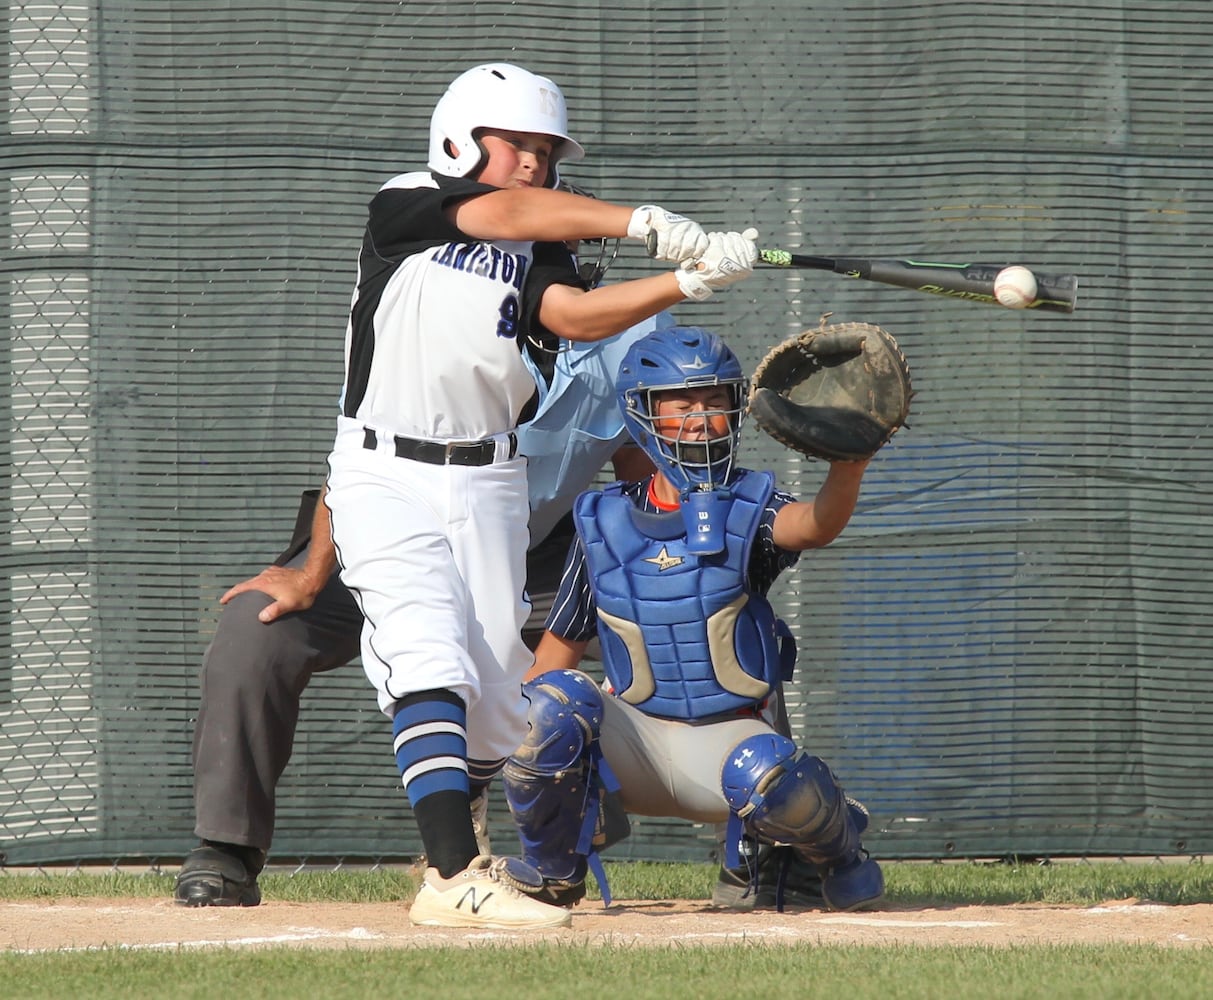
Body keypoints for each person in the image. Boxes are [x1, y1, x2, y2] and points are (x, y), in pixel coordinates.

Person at [319, 62, 761, 930]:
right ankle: (450, 877)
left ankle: (460, 835)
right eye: (514, 142)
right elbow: (501, 211)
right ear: (460, 138)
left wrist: (688, 284)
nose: (531, 161)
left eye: (543, 149)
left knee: (495, 706)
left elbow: (569, 315)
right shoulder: (405, 200)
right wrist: (644, 224)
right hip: (384, 470)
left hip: (488, 478)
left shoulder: (539, 246)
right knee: (425, 652)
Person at [174, 261, 665, 907]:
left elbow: (635, 462)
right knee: (254, 633)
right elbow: (361, 450)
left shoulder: (624, 332)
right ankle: (226, 849)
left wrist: (668, 566)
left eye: (557, 238)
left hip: (534, 549)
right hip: (386, 519)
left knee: (701, 613)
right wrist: (310, 572)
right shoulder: (430, 315)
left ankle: (773, 842)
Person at [502, 325, 885, 914]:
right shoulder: (602, 519)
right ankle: (553, 871)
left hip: (729, 745)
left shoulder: (750, 502)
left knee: (767, 772)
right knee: (540, 708)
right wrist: (524, 752)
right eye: (682, 404)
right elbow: (558, 650)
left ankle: (834, 851)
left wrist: (849, 465)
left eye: (715, 402)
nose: (702, 418)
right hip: (638, 740)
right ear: (642, 411)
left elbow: (813, 525)